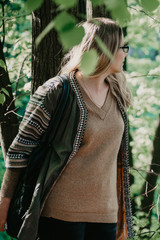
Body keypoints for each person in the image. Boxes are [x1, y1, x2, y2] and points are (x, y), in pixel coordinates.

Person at [0, 17, 134, 240]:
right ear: (105, 50)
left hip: (107, 216)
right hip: (61, 215)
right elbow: (19, 151)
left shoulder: (119, 93)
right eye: (122, 47)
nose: (126, 53)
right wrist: (4, 203)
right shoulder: (56, 91)